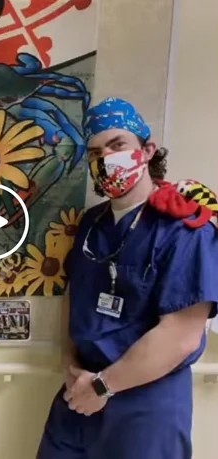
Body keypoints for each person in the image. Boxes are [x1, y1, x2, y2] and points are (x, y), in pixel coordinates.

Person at [36, 97, 218, 459]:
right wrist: (69, 364)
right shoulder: (92, 224)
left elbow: (180, 336)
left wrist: (102, 387)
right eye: (95, 151)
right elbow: (77, 297)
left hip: (145, 405)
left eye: (117, 145)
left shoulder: (185, 229)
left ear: (147, 150)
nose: (105, 159)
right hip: (79, 395)